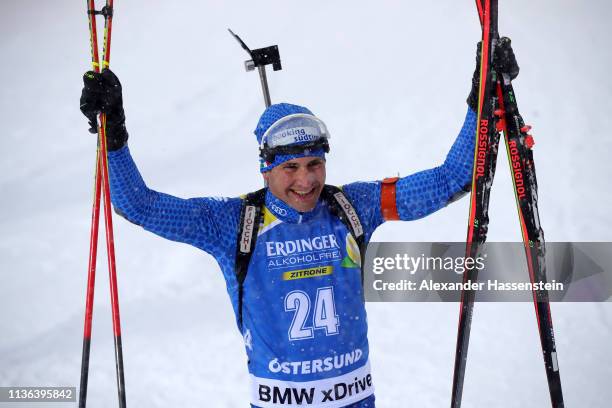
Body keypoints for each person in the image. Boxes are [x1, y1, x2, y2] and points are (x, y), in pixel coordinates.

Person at [80, 39, 518, 408]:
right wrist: (113, 134)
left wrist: (479, 98)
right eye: (290, 168)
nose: (306, 180)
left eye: (314, 164)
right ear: (265, 169)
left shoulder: (353, 206)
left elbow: (451, 179)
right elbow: (138, 205)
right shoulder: (233, 223)